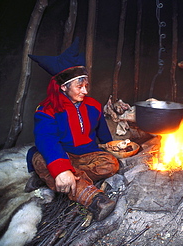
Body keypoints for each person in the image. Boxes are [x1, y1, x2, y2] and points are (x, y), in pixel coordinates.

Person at [25, 38, 120, 221]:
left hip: (85, 155)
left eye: (86, 85)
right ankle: (93, 198)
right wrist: (61, 169)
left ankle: (52, 179)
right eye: (79, 86)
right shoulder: (47, 110)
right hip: (60, 154)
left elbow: (103, 134)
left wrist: (111, 145)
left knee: (111, 164)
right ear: (63, 87)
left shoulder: (93, 105)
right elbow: (47, 140)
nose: (85, 91)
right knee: (41, 160)